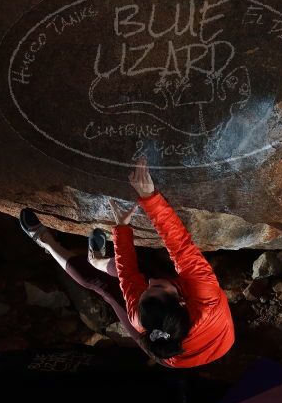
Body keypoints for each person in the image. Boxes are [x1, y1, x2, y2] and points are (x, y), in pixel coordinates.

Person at [19, 156, 234, 368]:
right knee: (141, 270)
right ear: (181, 300)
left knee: (104, 286)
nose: (150, 283)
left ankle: (46, 242)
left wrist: (122, 229)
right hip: (217, 334)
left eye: (148, 291)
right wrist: (149, 199)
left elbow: (128, 276)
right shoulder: (207, 301)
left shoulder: (139, 320)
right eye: (156, 288)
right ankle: (98, 261)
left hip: (172, 357)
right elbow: (181, 248)